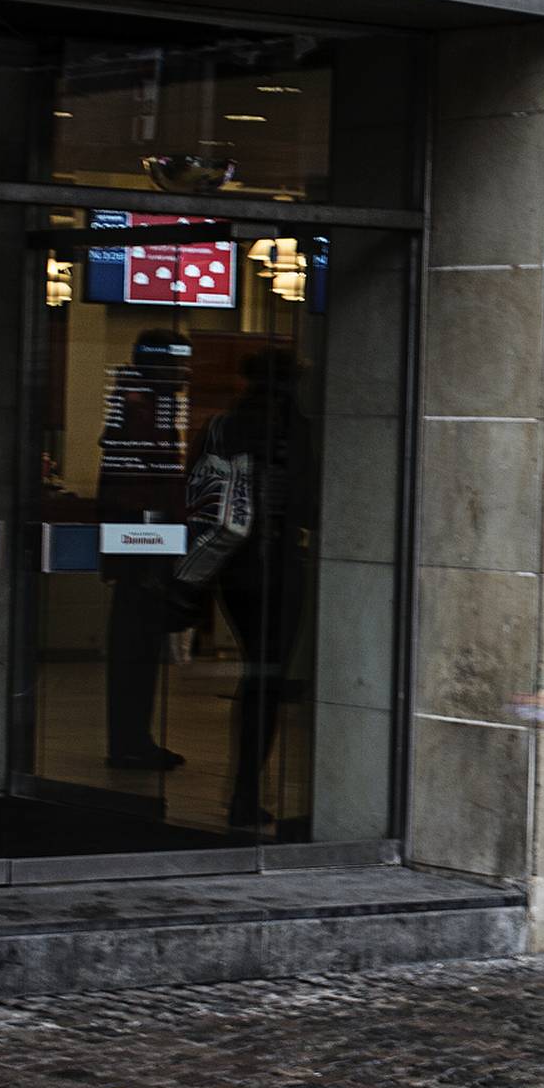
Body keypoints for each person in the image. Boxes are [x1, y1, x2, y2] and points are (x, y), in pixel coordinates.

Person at [186, 349, 310, 831]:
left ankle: (243, 791)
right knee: (267, 677)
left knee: (256, 674)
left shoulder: (224, 425)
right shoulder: (293, 430)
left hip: (229, 562)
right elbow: (309, 501)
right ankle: (244, 791)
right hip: (276, 561)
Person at [99, 329, 191, 771]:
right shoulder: (143, 412)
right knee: (136, 649)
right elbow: (146, 491)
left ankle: (131, 739)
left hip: (136, 548)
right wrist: (159, 551)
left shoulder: (132, 405)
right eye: (177, 363)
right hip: (143, 550)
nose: (184, 373)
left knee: (133, 648)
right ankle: (132, 742)